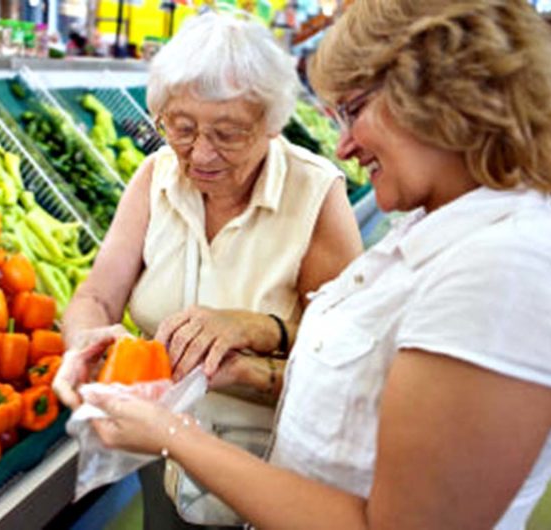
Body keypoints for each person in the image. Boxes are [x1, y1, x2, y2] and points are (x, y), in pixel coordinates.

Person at [83, 1, 551, 529]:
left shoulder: (502, 269)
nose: (345, 145)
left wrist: (172, 434)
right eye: (182, 127)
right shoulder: (439, 230)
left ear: (438, 97)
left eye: (353, 109)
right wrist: (249, 369)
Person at [52, 12, 363, 529]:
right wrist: (83, 342)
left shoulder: (315, 195)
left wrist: (256, 344)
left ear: (272, 124)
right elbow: (97, 297)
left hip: (272, 474)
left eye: (228, 133)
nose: (199, 154)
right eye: (181, 127)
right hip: (160, 462)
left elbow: (346, 367)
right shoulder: (155, 177)